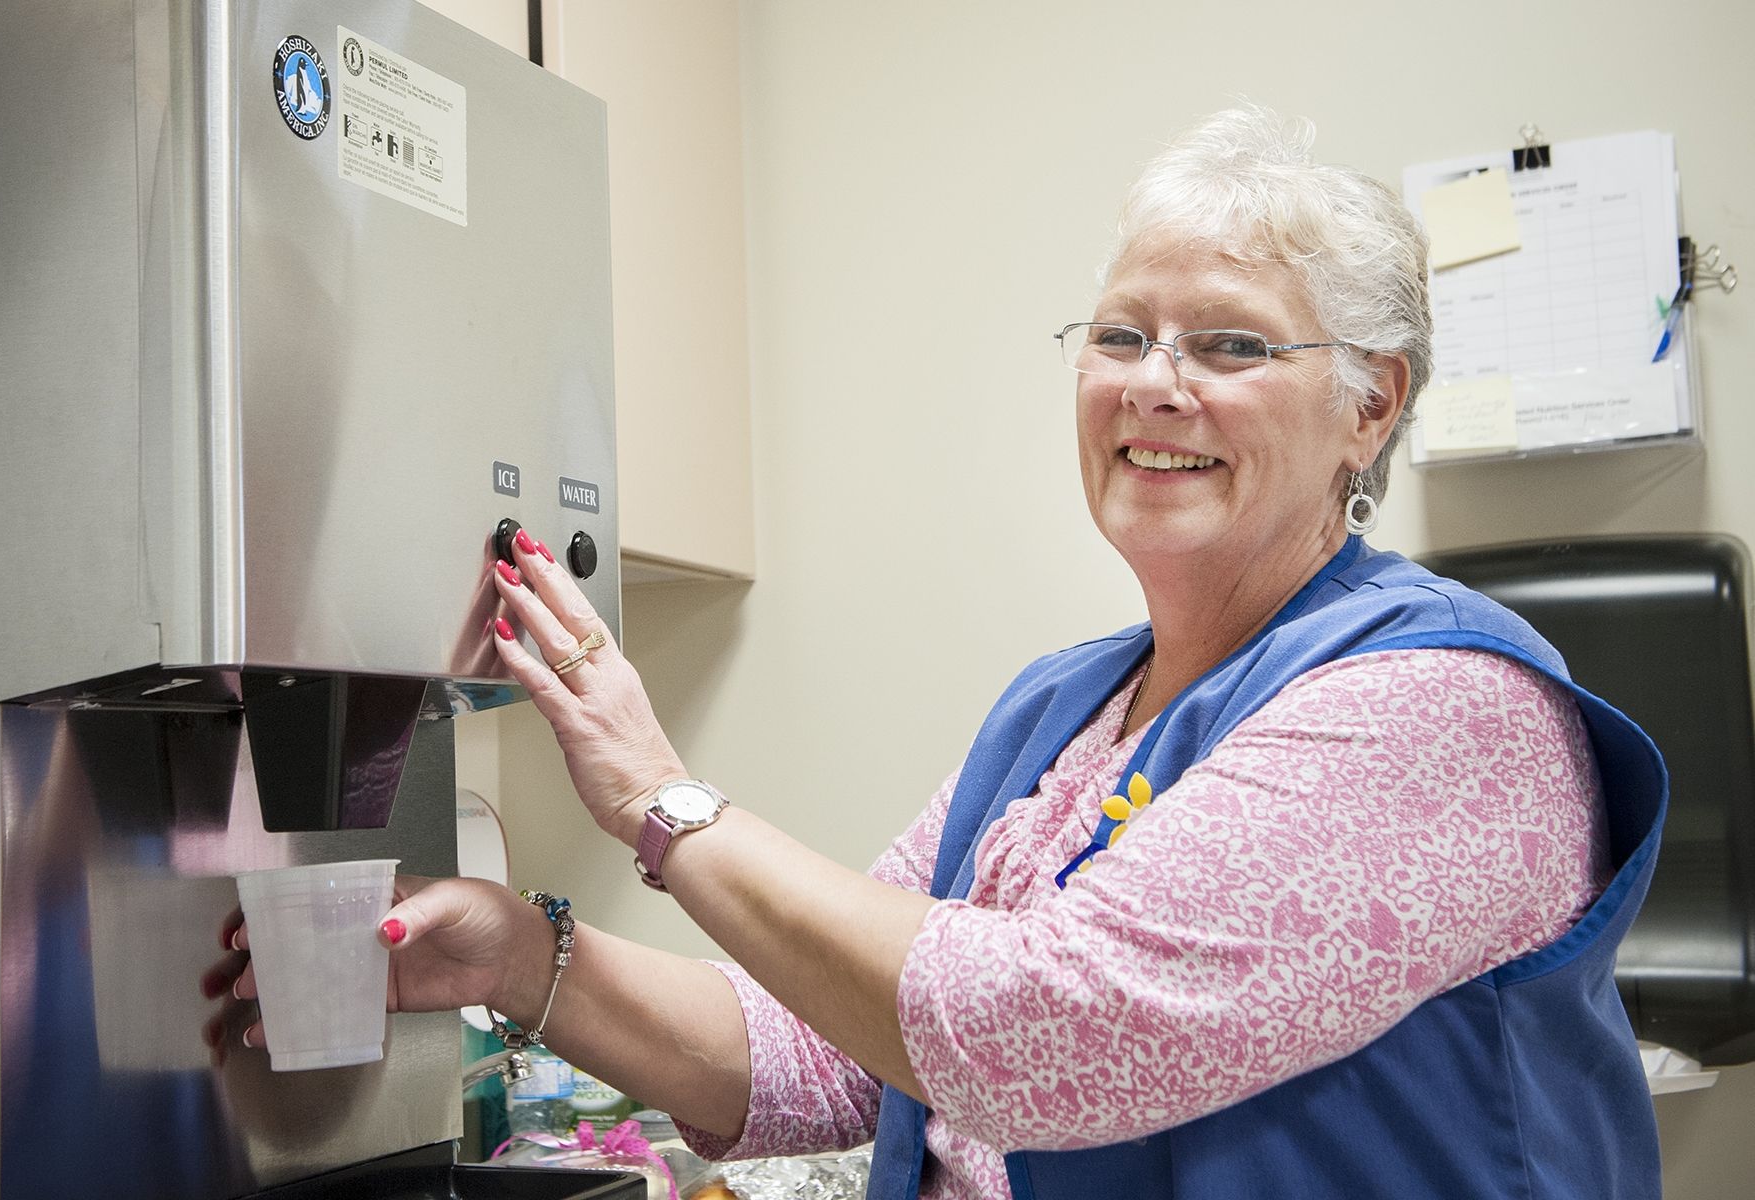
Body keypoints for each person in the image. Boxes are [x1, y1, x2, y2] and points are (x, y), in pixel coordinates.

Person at [204, 106, 1666, 1198]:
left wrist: (663, 797)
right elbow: (835, 1048)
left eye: (1230, 347)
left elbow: (1045, 1035)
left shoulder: (1435, 709)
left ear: (1370, 406)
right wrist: (523, 959)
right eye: (1120, 335)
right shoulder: (1063, 710)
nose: (1155, 385)